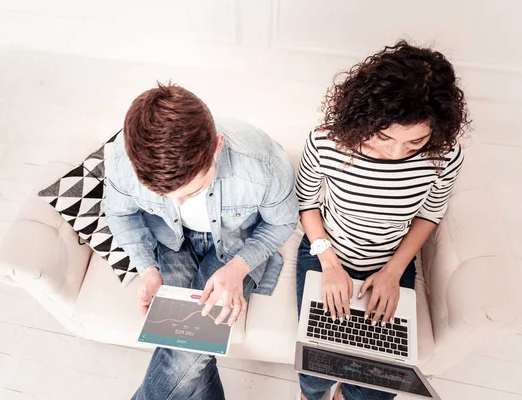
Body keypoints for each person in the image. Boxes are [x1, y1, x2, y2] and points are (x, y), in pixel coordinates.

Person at [295, 41, 470, 400]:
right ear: (365, 119)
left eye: (415, 142)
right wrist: (329, 264)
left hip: (393, 261)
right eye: (384, 137)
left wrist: (393, 272)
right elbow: (307, 203)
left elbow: (429, 213)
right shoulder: (326, 142)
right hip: (326, 253)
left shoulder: (445, 155)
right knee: (316, 370)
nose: (396, 154)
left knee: (376, 388)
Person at [104, 82, 299, 400]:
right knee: (190, 348)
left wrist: (239, 268)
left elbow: (283, 222)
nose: (178, 204)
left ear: (217, 146)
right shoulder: (121, 158)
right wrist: (147, 268)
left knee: (188, 347)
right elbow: (121, 215)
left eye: (192, 191)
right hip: (171, 242)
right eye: (165, 196)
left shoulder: (263, 162)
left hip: (237, 244)